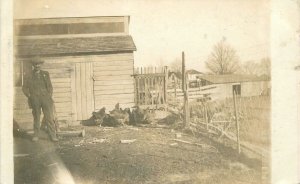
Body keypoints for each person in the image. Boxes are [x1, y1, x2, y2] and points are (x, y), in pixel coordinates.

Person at [22, 57, 58, 142]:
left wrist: (49, 96)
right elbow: (24, 88)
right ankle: (36, 136)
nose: (37, 66)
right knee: (36, 117)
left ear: (41, 65)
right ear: (33, 65)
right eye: (35, 64)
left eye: (39, 64)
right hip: (35, 99)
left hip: (46, 99)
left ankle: (53, 136)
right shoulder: (28, 75)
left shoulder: (46, 74)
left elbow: (49, 86)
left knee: (49, 117)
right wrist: (29, 95)